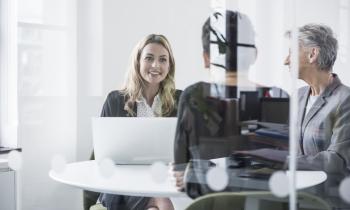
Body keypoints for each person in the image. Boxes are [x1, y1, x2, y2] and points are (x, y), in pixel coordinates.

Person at [83, 34, 182, 210]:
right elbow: (103, 156)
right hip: (122, 185)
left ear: (169, 65)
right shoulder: (115, 100)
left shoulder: (179, 100)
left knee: (157, 204)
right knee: (162, 203)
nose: (155, 65)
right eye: (149, 58)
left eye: (162, 60)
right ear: (138, 62)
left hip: (164, 181)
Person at [171, 10, 259, 191]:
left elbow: (180, 173)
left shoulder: (193, 96)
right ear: (253, 54)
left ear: (206, 58)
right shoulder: (278, 98)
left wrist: (192, 172)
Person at [284, 24, 350, 175]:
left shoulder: (345, 100)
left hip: (329, 194)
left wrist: (282, 161)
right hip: (298, 190)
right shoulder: (298, 96)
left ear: (312, 54)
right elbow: (289, 144)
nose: (286, 61)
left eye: (291, 52)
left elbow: (337, 160)